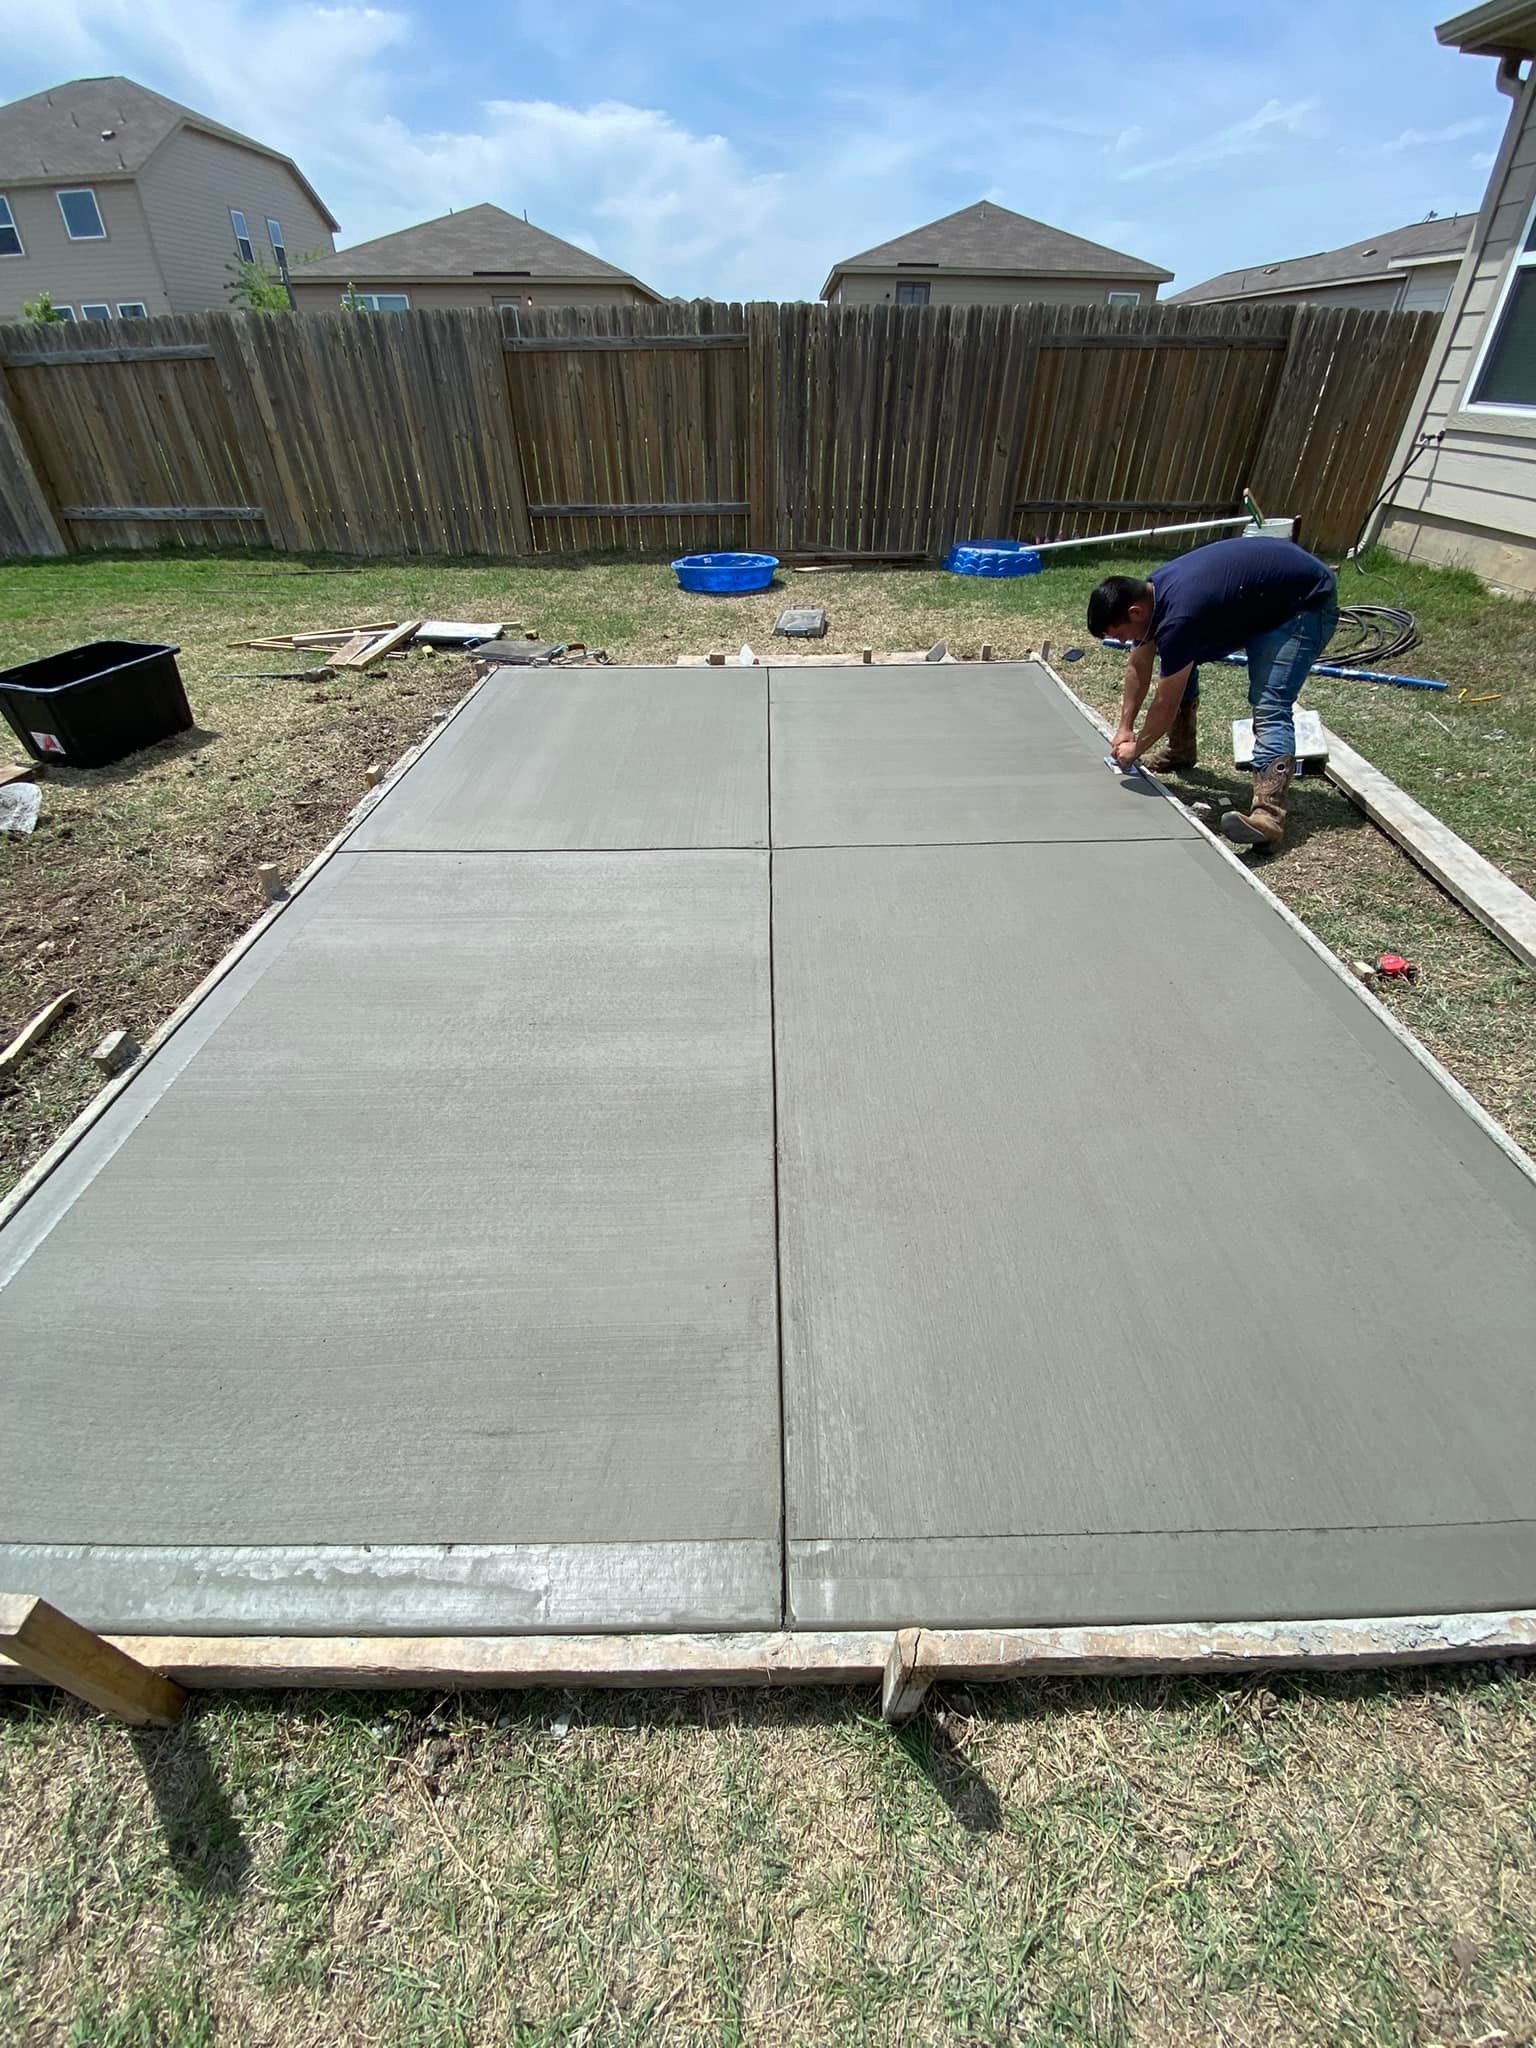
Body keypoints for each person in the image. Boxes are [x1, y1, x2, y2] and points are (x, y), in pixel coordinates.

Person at [1085, 534, 1338, 848]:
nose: (1123, 642)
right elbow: (1138, 664)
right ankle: (1181, 752)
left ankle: (1268, 816)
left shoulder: (1179, 616)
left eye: (1120, 634)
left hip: (1302, 602)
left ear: (1135, 612)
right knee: (1176, 658)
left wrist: (1136, 750)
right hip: (1266, 592)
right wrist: (1124, 728)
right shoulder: (1153, 593)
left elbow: (1165, 703)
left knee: (1271, 704)